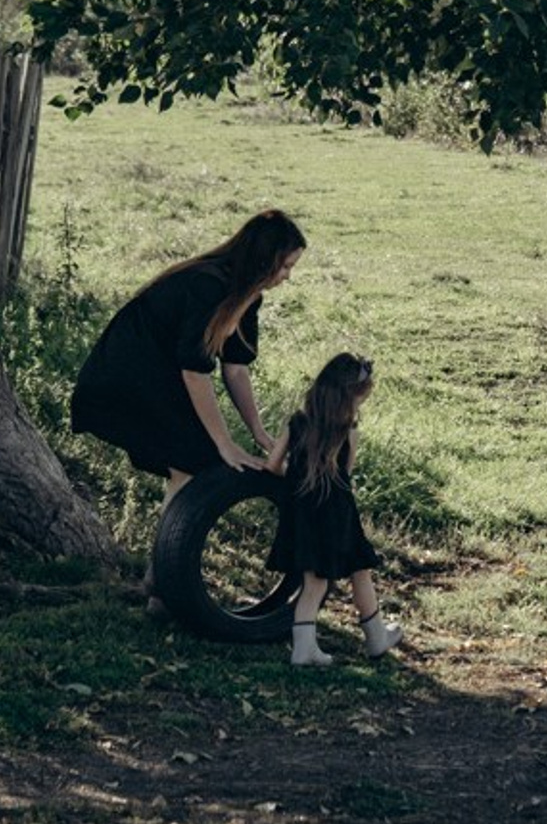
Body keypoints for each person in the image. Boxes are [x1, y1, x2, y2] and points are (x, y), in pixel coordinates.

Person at [71, 210, 307, 524]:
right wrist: (225, 443)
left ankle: (162, 568)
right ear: (264, 259)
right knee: (198, 460)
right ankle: (166, 566)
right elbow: (194, 372)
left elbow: (235, 368)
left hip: (160, 377)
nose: (287, 276)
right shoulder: (206, 285)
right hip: (123, 376)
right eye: (286, 266)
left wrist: (258, 432)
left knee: (195, 463)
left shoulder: (248, 297)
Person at [265, 352, 402, 666]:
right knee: (358, 569)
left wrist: (296, 476)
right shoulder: (347, 430)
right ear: (350, 397)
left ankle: (307, 647)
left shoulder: (298, 422)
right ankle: (374, 638)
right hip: (338, 512)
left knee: (314, 581)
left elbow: (273, 465)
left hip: (302, 511)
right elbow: (346, 474)